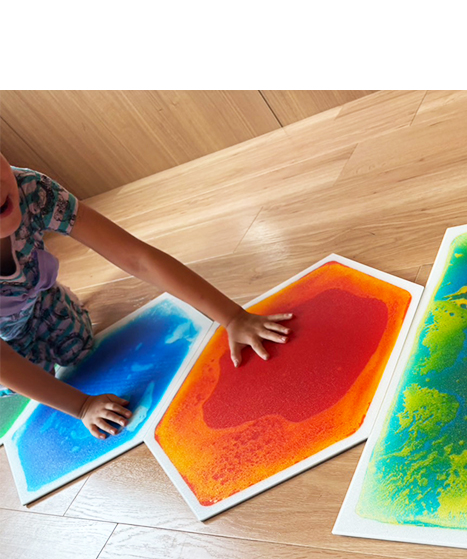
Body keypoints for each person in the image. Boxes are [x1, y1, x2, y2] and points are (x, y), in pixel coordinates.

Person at [0, 154, 292, 440]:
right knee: (41, 378)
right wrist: (83, 406)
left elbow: (137, 258)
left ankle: (42, 290)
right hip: (6, 342)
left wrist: (233, 317)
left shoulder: (31, 188)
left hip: (40, 299)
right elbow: (5, 361)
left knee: (80, 346)